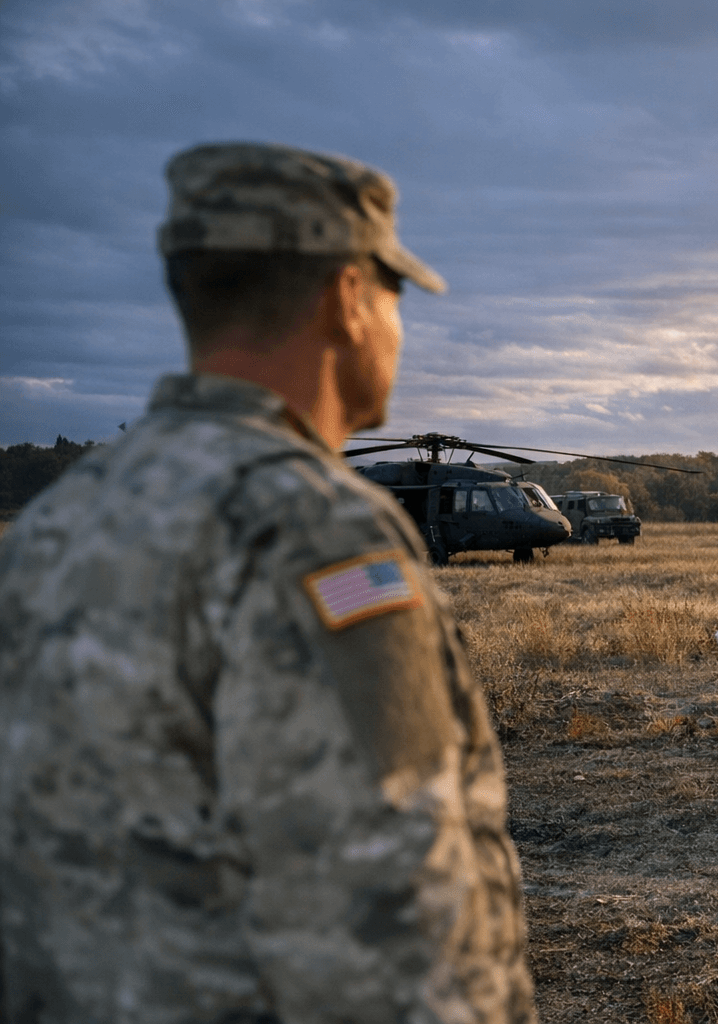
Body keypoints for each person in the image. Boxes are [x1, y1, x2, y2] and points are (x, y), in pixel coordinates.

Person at [0, 144, 537, 1023]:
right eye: (395, 295)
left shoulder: (59, 521)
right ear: (347, 300)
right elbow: (389, 901)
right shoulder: (310, 527)